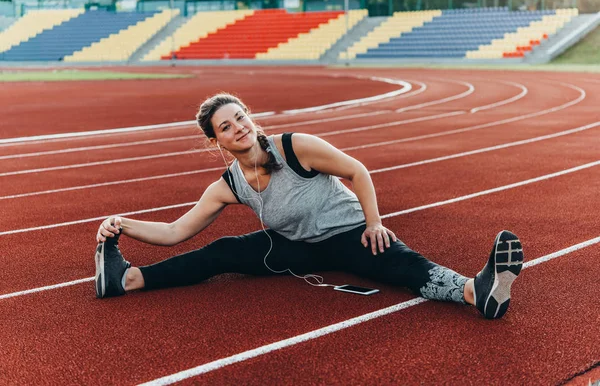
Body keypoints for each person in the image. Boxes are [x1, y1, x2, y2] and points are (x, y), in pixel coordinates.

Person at [94, 93, 524, 319]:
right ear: (216, 142)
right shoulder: (229, 184)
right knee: (221, 252)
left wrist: (374, 222)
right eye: (226, 127)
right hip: (294, 247)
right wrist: (120, 225)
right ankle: (128, 280)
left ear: (250, 117)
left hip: (348, 233)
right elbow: (174, 232)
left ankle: (475, 290)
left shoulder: (295, 147)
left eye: (240, 117)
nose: (238, 128)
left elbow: (357, 170)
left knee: (399, 263)